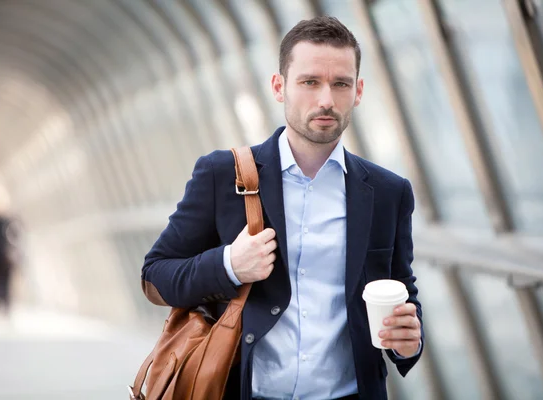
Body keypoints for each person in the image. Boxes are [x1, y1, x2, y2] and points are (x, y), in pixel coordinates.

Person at [142, 16, 423, 400]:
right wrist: (229, 266)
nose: (326, 99)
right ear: (279, 87)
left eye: (340, 84)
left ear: (357, 91)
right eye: (310, 82)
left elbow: (401, 291)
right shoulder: (221, 175)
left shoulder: (388, 192)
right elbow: (155, 276)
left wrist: (406, 343)